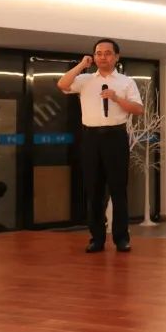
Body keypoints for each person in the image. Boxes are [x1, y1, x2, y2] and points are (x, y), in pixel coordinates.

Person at [57, 39, 144, 253]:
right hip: (90, 138)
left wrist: (116, 98)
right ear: (94, 56)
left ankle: (121, 238)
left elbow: (138, 109)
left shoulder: (126, 82)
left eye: (107, 53)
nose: (102, 57)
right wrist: (80, 65)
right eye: (98, 53)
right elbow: (62, 84)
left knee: (118, 190)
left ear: (116, 57)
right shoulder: (84, 79)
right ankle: (96, 238)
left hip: (115, 137)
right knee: (94, 190)